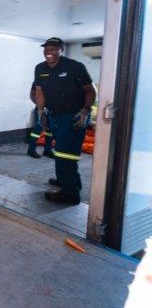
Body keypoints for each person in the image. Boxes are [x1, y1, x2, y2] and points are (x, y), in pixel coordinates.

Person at [34, 37, 96, 205]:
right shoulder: (40, 68)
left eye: (53, 48)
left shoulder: (74, 66)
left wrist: (85, 110)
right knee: (62, 150)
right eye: (46, 48)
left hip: (74, 115)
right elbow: (39, 91)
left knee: (64, 152)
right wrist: (41, 112)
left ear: (61, 50)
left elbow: (90, 91)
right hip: (54, 115)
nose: (49, 51)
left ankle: (70, 194)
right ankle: (70, 181)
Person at [26, 83, 54, 159]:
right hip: (41, 109)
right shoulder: (39, 79)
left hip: (53, 109)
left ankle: (47, 150)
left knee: (50, 130)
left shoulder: (55, 78)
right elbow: (32, 95)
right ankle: (31, 150)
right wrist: (41, 107)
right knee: (38, 128)